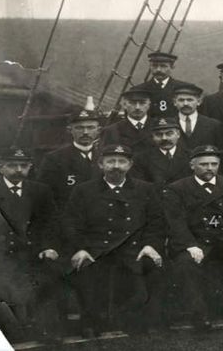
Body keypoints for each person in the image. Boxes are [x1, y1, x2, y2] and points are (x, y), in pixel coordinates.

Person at [61, 144, 165, 337]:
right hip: (97, 250)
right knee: (86, 272)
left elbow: (156, 222)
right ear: (101, 164)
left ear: (130, 165)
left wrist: (150, 245)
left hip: (133, 249)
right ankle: (92, 322)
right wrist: (81, 248)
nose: (116, 166)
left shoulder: (146, 189)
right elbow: (71, 224)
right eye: (110, 161)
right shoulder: (84, 190)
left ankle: (140, 321)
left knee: (149, 271)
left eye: (121, 161)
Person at [161, 145, 223, 330]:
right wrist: (189, 245)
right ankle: (199, 313)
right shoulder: (177, 188)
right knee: (185, 263)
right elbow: (175, 221)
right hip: (196, 242)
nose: (209, 168)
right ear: (192, 165)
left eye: (214, 164)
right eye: (204, 164)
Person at [0, 148, 62, 340]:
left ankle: (46, 330)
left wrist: (49, 247)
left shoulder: (40, 190)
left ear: (30, 167)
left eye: (23, 166)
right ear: (0, 168)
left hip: (34, 251)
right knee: (5, 287)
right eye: (12, 165)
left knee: (46, 282)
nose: (18, 170)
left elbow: (50, 223)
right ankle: (13, 332)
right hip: (2, 254)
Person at [36, 108, 103, 205]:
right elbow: (45, 194)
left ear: (98, 130)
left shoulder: (105, 157)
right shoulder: (54, 159)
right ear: (69, 130)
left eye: (90, 127)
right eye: (79, 128)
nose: (85, 132)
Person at [132, 116, 193, 185]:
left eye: (169, 133)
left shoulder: (190, 156)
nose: (164, 138)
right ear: (153, 137)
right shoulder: (141, 159)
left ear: (178, 134)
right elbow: (141, 186)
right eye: (159, 134)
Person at [171, 82, 223, 149]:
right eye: (181, 100)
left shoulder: (214, 125)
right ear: (174, 102)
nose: (185, 103)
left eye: (190, 100)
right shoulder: (170, 124)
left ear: (199, 102)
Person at [99, 85, 153, 151]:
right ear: (124, 105)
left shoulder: (158, 127)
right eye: (132, 103)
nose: (137, 107)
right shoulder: (111, 131)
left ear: (149, 105)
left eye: (142, 103)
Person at [139, 51, 192, 117]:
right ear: (150, 67)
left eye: (163, 66)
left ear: (172, 67)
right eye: (154, 66)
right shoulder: (139, 89)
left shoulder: (185, 88)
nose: (158, 70)